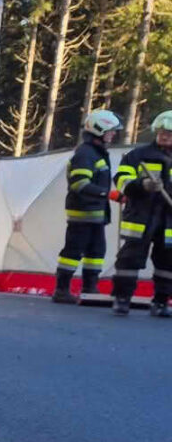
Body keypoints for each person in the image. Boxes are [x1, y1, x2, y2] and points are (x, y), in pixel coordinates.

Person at [52, 110, 121, 304]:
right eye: (111, 130)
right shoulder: (85, 154)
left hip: (95, 214)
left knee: (96, 252)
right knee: (73, 252)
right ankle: (61, 290)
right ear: (100, 129)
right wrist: (108, 194)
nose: (113, 134)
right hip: (82, 213)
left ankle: (90, 289)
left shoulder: (96, 152)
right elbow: (79, 184)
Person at [110, 110, 172, 317]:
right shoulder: (137, 155)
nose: (164, 135)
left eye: (170, 133)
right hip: (140, 217)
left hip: (169, 220)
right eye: (162, 131)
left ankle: (161, 302)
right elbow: (120, 180)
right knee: (129, 259)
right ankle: (122, 299)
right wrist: (142, 185)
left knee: (168, 262)